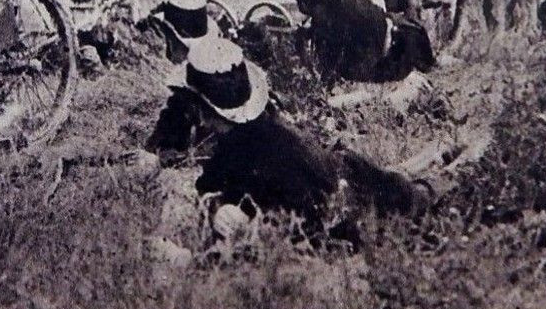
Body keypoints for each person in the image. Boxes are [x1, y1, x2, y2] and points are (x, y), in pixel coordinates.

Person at [148, 39, 436, 244]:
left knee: (418, 197)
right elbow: (211, 186)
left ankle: (443, 168)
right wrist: (218, 207)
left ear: (203, 108)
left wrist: (250, 230)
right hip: (343, 178)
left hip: (354, 194)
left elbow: (307, 220)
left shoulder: (270, 148)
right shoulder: (234, 141)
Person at [283, 0, 435, 85]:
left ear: (305, 2)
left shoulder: (339, 15)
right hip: (393, 42)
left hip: (396, 58)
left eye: (299, 1)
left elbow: (332, 68)